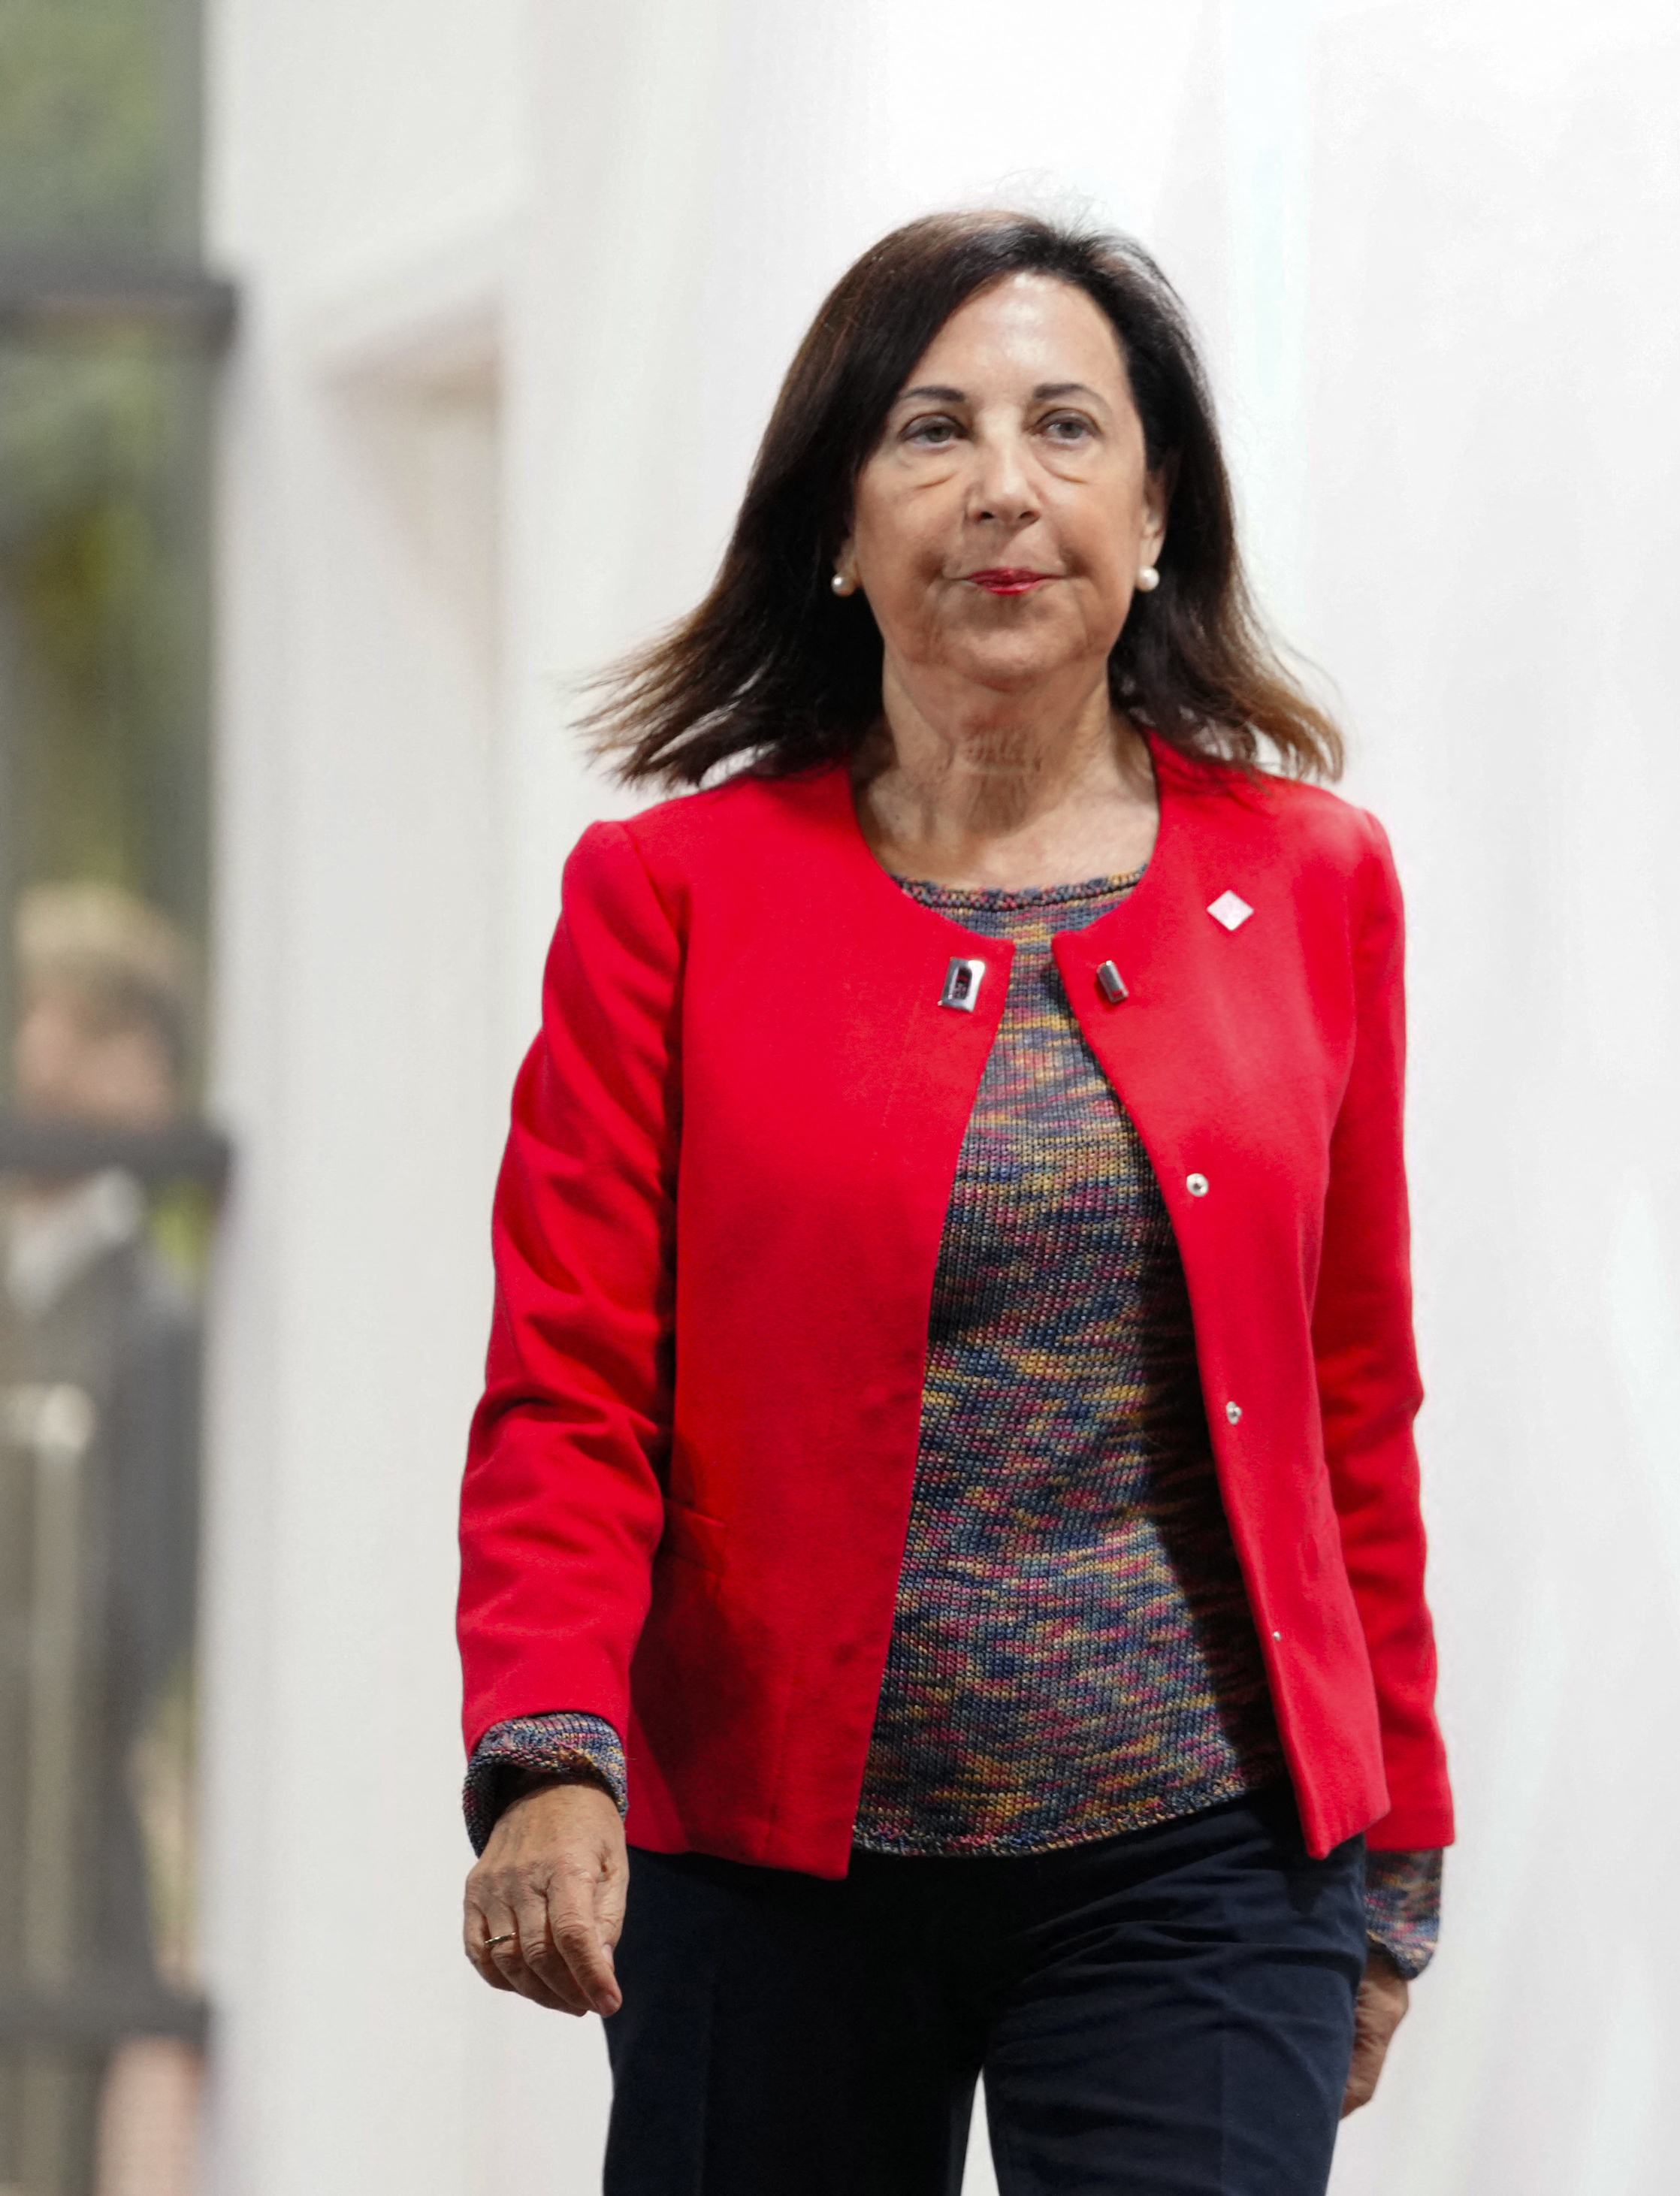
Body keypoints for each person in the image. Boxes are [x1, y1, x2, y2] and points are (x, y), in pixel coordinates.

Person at [454, 212, 1451, 2196]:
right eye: (933, 428)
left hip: (1206, 1852)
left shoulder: (1315, 877)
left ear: (1155, 512)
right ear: (841, 517)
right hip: (767, 1861)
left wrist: (1397, 1833)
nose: (1006, 484)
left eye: (1067, 427)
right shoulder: (666, 901)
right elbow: (568, 1383)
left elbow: (1354, 1389)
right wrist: (550, 1751)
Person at [4, 881, 208, 2185]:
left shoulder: (156, 1325)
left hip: (51, 1860)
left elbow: (132, 1624)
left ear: (146, 1064)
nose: (36, 1053)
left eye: (73, 1024)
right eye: (32, 1016)